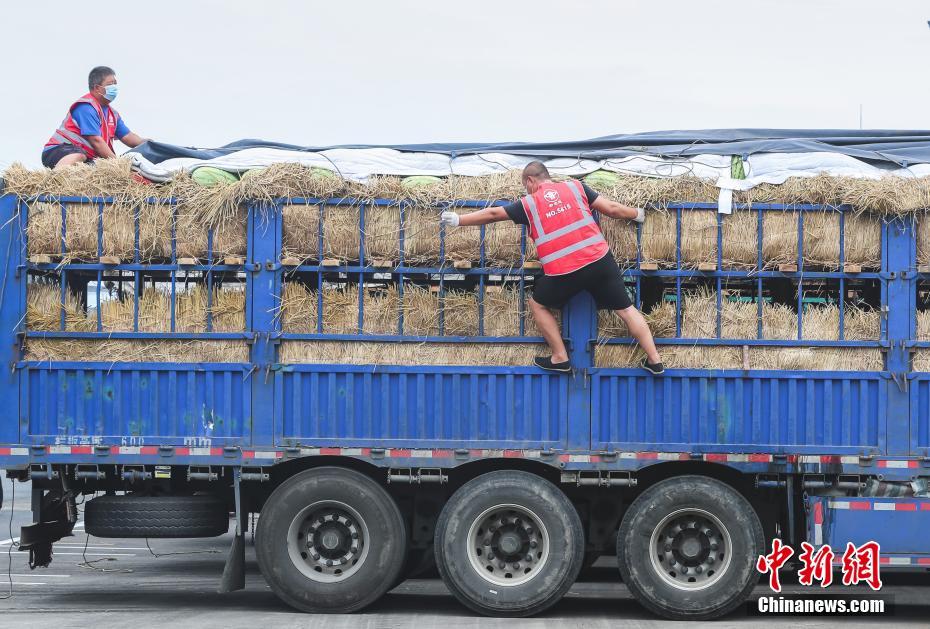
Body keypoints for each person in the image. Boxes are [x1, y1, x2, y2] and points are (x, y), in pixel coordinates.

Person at [440, 161, 664, 374]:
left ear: (530, 181)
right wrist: (637, 214)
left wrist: (459, 219)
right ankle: (655, 360)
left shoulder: (528, 204)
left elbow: (493, 214)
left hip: (566, 271)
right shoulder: (576, 188)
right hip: (599, 260)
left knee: (537, 304)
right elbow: (613, 209)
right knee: (626, 309)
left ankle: (560, 357)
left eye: (525, 186)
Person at [42, 66, 146, 170]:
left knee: (98, 168)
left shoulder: (112, 114)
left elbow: (128, 136)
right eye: (110, 85)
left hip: (84, 156)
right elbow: (96, 141)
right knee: (79, 156)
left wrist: (148, 143)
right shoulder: (86, 107)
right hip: (57, 150)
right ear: (97, 88)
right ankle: (55, 180)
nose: (114, 87)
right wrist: (118, 166)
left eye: (115, 84)